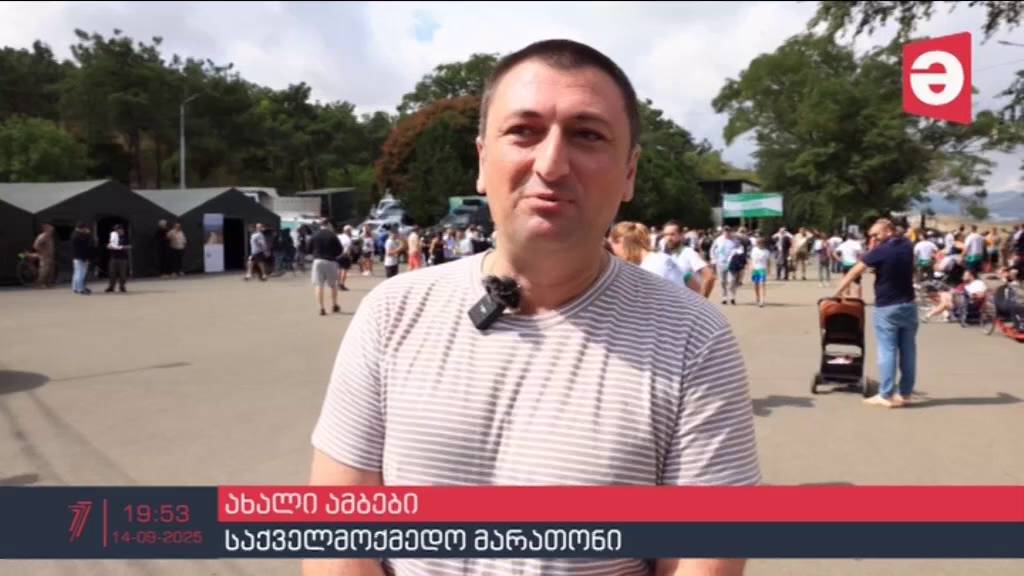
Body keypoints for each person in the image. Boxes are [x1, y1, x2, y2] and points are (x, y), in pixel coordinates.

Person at [306, 38, 758, 576]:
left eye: (587, 135)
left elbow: (702, 560)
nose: (552, 163)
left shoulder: (692, 338)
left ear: (629, 172)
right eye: (524, 131)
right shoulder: (392, 313)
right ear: (482, 159)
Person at [834, 219, 917, 408]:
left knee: (887, 351)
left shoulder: (881, 251)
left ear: (888, 231)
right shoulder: (906, 245)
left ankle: (886, 394)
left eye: (876, 235)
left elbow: (854, 272)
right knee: (908, 351)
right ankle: (905, 393)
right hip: (908, 305)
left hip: (887, 307)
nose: (873, 239)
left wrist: (837, 292)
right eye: (870, 236)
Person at [608, 221, 698, 291]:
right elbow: (691, 281)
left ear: (621, 241)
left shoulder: (650, 269)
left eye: (612, 246)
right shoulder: (661, 258)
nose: (614, 254)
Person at [662, 220, 713, 296]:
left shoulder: (688, 253)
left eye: (672, 234)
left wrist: (702, 300)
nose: (668, 238)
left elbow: (709, 276)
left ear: (681, 235)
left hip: (689, 301)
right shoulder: (665, 256)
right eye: (666, 235)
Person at [309, 219, 343, 316]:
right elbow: (340, 249)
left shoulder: (315, 235)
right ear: (328, 225)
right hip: (330, 261)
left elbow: (308, 248)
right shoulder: (332, 235)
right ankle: (334, 305)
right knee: (333, 285)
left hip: (318, 261)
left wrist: (314, 253)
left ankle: (321, 307)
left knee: (318, 285)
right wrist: (333, 254)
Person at [711, 226, 739, 304]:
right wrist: (713, 259)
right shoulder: (718, 240)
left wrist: (736, 253)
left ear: (731, 231)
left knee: (732, 280)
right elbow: (712, 249)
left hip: (732, 263)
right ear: (723, 232)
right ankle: (724, 297)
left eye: (728, 231)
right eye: (725, 231)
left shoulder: (735, 240)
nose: (727, 232)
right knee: (722, 281)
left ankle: (732, 296)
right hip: (720, 263)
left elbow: (740, 249)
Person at [835, 234, 864, 299]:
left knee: (846, 281)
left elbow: (834, 253)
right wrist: (859, 261)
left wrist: (840, 260)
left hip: (845, 264)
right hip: (854, 264)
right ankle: (858, 298)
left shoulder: (843, 244)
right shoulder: (857, 244)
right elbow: (862, 254)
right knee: (857, 282)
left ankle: (846, 297)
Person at [70, 222, 93, 295]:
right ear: (82, 228)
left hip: (76, 256)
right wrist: (88, 234)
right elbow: (84, 247)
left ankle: (75, 288)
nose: (86, 229)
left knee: (77, 273)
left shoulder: (74, 234)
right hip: (81, 257)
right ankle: (81, 288)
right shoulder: (80, 236)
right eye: (85, 228)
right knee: (81, 273)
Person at [105, 224, 129, 293]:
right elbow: (109, 245)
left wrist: (122, 247)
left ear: (121, 230)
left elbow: (129, 246)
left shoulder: (125, 237)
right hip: (113, 258)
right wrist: (109, 246)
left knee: (122, 274)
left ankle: (122, 286)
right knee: (112, 273)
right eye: (115, 230)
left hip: (123, 258)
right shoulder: (113, 237)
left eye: (118, 230)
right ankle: (111, 286)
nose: (116, 231)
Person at [32, 223, 56, 288]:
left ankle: (48, 283)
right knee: (44, 270)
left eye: (52, 230)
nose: (52, 231)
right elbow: (36, 245)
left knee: (50, 270)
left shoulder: (49, 237)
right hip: (44, 256)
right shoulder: (42, 237)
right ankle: (39, 283)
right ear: (46, 230)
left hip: (50, 256)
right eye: (50, 230)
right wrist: (42, 252)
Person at [750, 237, 770, 307]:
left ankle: (762, 300)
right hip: (755, 269)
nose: (759, 244)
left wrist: (769, 269)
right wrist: (751, 267)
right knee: (755, 285)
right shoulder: (754, 250)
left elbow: (768, 261)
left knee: (762, 285)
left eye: (761, 243)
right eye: (758, 243)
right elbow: (751, 259)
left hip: (762, 269)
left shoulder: (766, 251)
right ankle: (757, 297)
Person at [336, 225, 353, 291]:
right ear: (348, 231)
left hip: (337, 254)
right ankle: (342, 284)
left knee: (338, 270)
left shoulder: (339, 236)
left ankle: (338, 284)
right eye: (350, 231)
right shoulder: (348, 239)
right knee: (344, 270)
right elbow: (348, 250)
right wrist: (349, 257)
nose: (351, 232)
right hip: (344, 255)